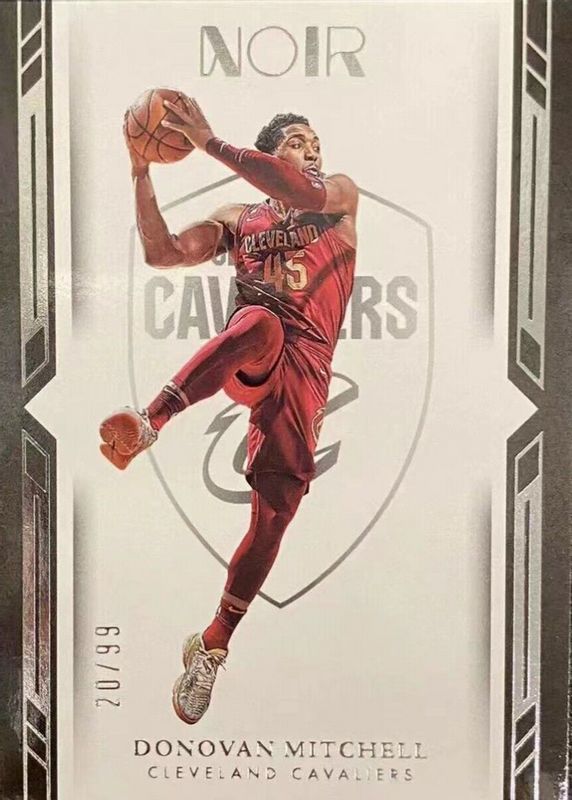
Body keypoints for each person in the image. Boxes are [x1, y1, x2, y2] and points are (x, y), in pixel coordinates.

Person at [99, 96, 358, 724]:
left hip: (308, 368)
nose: (313, 150)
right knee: (260, 321)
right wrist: (140, 171)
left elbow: (293, 186)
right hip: (253, 351)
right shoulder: (239, 219)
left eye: (316, 142)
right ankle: (151, 420)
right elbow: (163, 252)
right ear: (270, 153)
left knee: (275, 515)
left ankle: (212, 644)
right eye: (298, 141)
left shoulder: (338, 197)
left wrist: (209, 142)